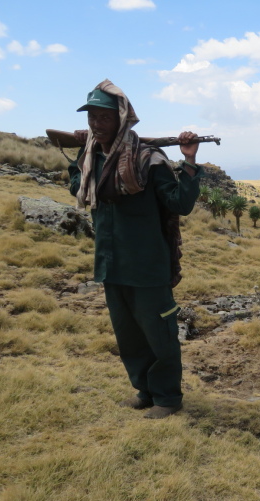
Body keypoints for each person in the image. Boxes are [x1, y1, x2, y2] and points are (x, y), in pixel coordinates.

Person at [68, 79, 203, 419]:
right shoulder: (92, 159)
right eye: (92, 118)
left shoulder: (149, 160)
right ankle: (145, 392)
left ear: (122, 119)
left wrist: (188, 161)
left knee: (160, 335)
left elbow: (180, 203)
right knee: (128, 336)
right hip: (111, 265)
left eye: (104, 118)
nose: (97, 124)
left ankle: (168, 398)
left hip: (147, 267)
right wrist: (79, 154)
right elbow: (76, 187)